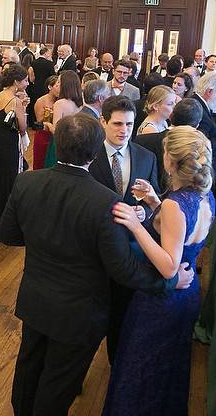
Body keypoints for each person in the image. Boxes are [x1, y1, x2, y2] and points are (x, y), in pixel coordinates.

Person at [0, 114, 193, 415]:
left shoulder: (26, 182)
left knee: (28, 371)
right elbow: (123, 269)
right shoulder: (107, 202)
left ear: (58, 146)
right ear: (94, 152)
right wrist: (169, 281)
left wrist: (46, 240)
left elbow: (8, 235)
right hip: (80, 313)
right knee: (58, 383)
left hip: (35, 299)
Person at [103, 126, 216, 416]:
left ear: (170, 161)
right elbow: (182, 234)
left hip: (162, 301)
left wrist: (135, 224)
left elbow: (168, 266)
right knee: (169, 366)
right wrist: (154, 201)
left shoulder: (175, 204)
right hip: (187, 296)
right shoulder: (204, 197)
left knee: (140, 366)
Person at [87, 95, 162, 362]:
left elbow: (155, 201)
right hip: (93, 250)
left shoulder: (147, 157)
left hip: (129, 250)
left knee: (121, 312)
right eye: (118, 124)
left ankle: (115, 363)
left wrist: (146, 211)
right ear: (103, 122)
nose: (124, 131)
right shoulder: (89, 155)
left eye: (129, 125)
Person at [0, 63, 30, 242]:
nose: (27, 83)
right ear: (16, 82)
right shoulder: (15, 101)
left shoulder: (1, 95)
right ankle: (2, 230)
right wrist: (23, 107)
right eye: (25, 80)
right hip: (9, 146)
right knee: (7, 184)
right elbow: (23, 127)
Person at [43, 70, 83, 168]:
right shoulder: (81, 103)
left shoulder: (59, 103)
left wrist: (48, 124)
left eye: (59, 82)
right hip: (76, 143)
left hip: (60, 144)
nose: (57, 84)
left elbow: (56, 131)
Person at [32, 75, 59, 170]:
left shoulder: (61, 101)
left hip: (55, 135)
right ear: (50, 87)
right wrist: (50, 114)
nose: (60, 89)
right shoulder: (41, 101)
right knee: (40, 161)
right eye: (57, 86)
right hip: (43, 135)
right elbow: (39, 120)